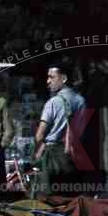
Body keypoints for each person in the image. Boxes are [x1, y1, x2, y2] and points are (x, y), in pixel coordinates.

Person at [33, 63, 86, 196]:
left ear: (64, 78)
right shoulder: (81, 101)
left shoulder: (53, 102)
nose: (48, 81)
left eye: (52, 77)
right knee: (69, 200)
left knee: (47, 201)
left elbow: (39, 135)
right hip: (72, 158)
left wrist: (38, 153)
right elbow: (80, 131)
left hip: (51, 157)